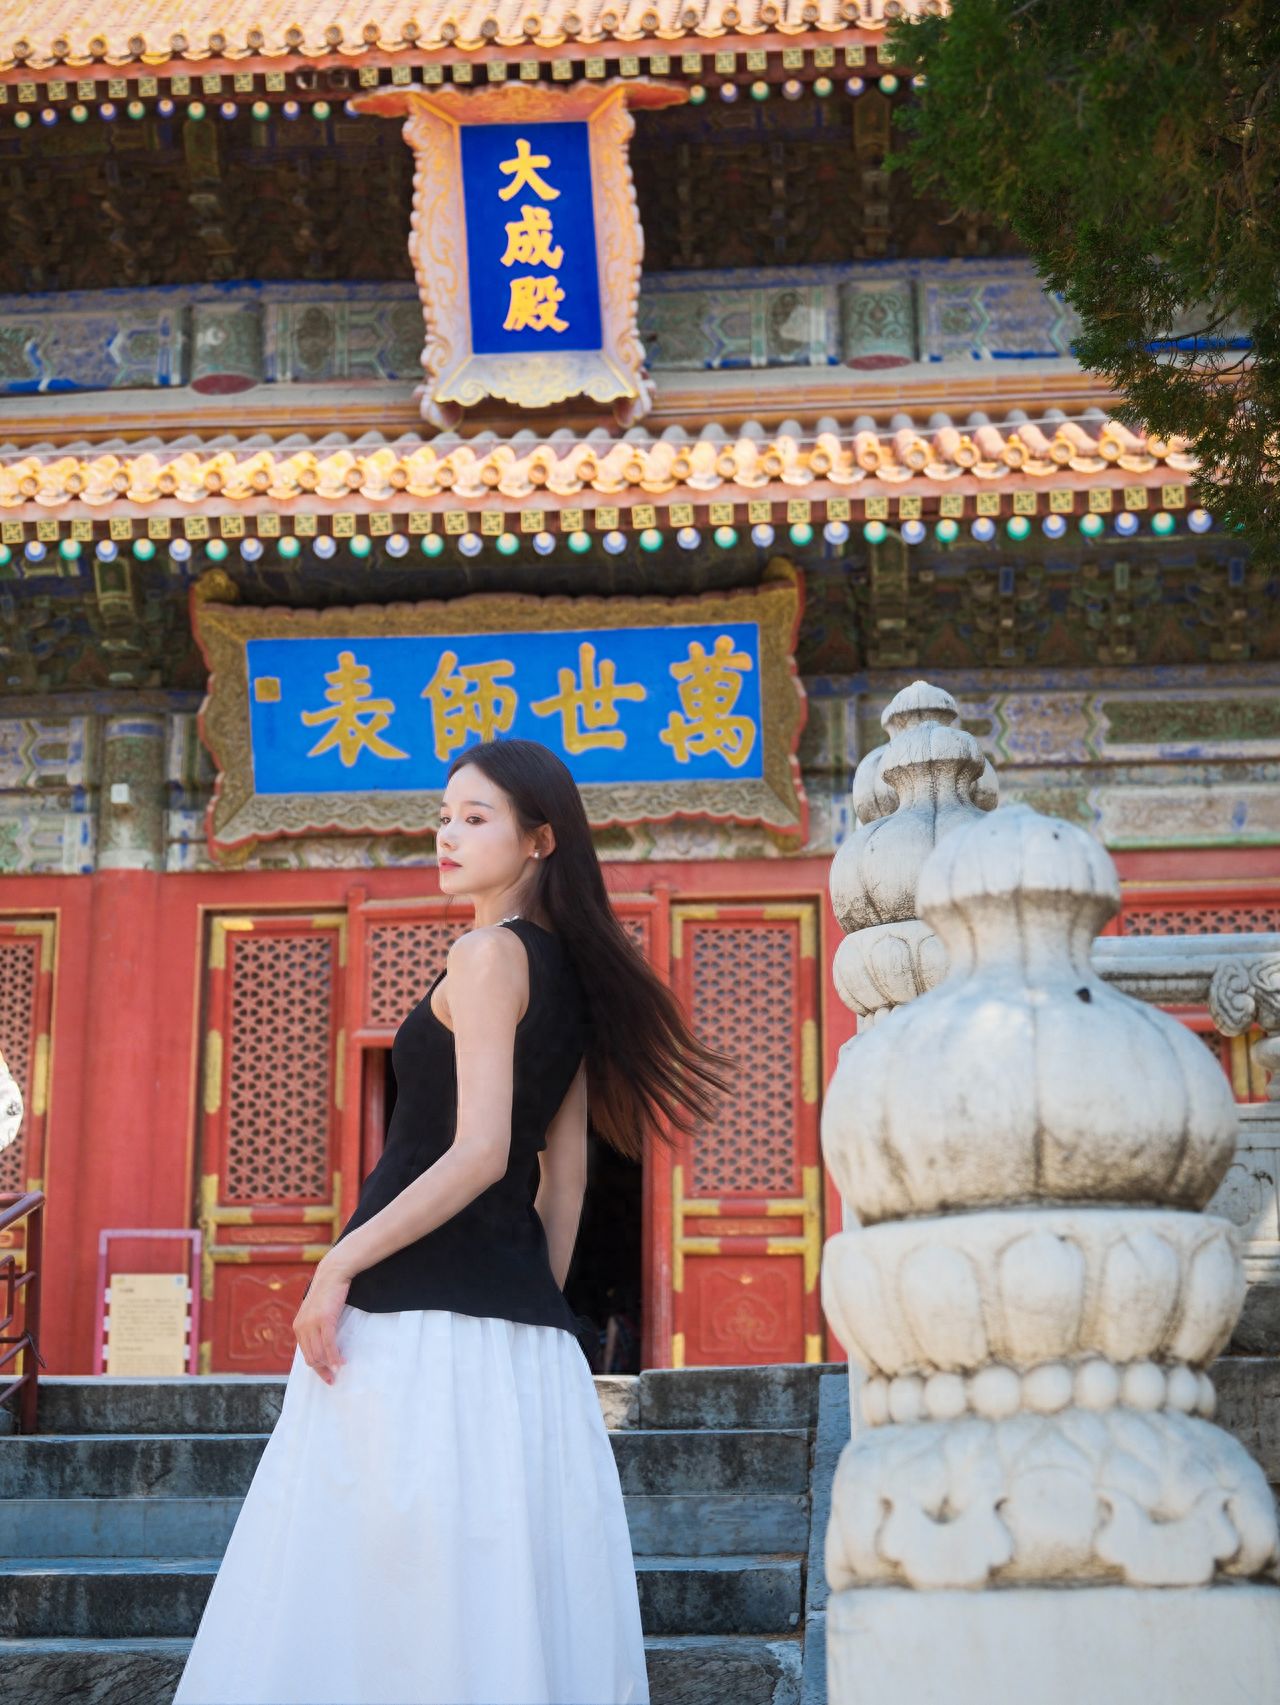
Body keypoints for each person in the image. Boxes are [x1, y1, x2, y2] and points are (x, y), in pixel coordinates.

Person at [173, 737, 733, 1705]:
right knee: (495, 1603)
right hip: (522, 1344)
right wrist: (527, 1302)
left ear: (539, 839)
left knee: (372, 1596)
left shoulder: (482, 956)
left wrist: (334, 1264)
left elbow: (477, 1153)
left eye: (476, 818)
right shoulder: (566, 975)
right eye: (443, 814)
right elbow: (561, 1177)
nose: (447, 832)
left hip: (413, 1325)